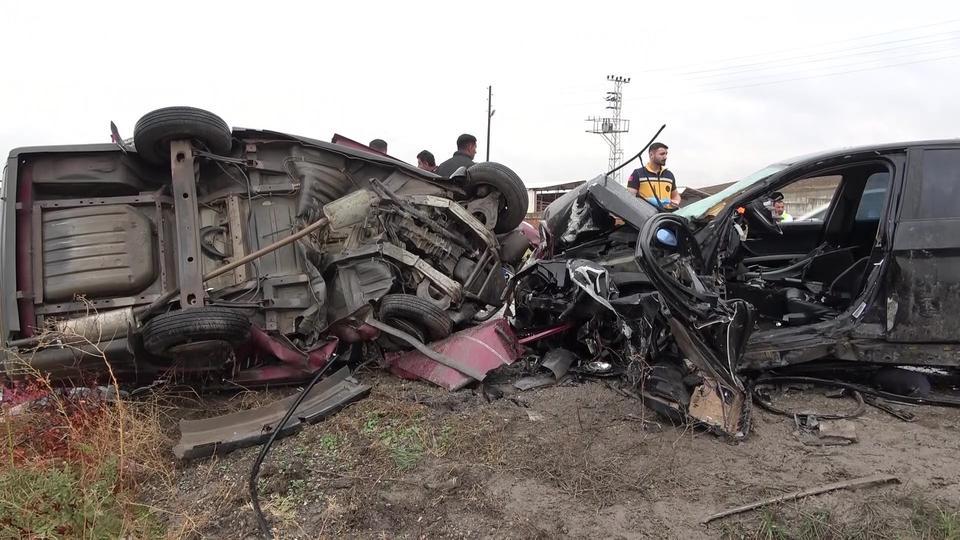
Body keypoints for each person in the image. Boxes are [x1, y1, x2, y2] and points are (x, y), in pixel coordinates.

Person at [627, 142, 680, 209]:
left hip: (666, 216)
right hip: (646, 216)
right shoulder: (638, 173)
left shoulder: (669, 175)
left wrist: (676, 201)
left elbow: (676, 195)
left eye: (666, 154)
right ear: (651, 155)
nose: (665, 157)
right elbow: (629, 198)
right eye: (662, 154)